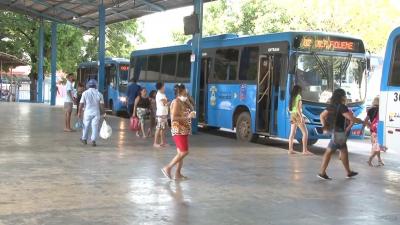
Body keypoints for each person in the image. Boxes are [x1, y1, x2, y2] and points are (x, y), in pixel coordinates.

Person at [318, 88, 364, 180]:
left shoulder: (331, 106)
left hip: (334, 131)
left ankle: (348, 172)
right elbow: (351, 118)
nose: (346, 97)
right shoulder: (342, 107)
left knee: (341, 151)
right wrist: (361, 121)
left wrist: (325, 127)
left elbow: (322, 116)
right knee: (331, 152)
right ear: (342, 96)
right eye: (345, 95)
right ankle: (322, 172)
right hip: (338, 133)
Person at [162, 84, 196, 180]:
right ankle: (168, 168)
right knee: (184, 152)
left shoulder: (183, 102)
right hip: (178, 130)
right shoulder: (176, 102)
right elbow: (173, 118)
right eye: (185, 91)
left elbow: (193, 108)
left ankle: (177, 174)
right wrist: (187, 117)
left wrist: (189, 103)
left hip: (184, 130)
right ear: (180, 92)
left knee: (180, 153)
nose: (186, 93)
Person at [78, 79, 105, 147]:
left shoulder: (85, 93)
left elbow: (81, 104)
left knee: (85, 126)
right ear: (96, 86)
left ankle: (84, 139)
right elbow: (102, 106)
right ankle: (93, 140)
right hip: (96, 112)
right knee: (95, 127)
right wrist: (103, 113)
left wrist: (79, 112)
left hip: (87, 112)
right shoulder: (99, 94)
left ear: (88, 86)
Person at [288, 85, 312, 155]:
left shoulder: (292, 97)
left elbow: (291, 108)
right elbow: (299, 108)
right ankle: (305, 151)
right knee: (305, 133)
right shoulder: (299, 96)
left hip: (292, 114)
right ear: (298, 90)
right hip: (297, 115)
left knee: (292, 133)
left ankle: (290, 150)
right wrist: (301, 117)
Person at [365, 96, 386, 167]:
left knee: (375, 146)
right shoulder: (381, 109)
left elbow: (366, 120)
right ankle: (370, 160)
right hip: (378, 130)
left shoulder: (370, 110)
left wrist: (368, 125)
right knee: (377, 146)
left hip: (372, 130)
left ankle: (379, 160)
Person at [154, 82, 169, 148]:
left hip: (164, 113)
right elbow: (165, 103)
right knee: (158, 128)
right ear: (161, 87)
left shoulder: (162, 94)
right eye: (164, 86)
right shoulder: (160, 95)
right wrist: (172, 102)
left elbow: (166, 102)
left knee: (163, 129)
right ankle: (155, 143)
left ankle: (162, 142)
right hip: (161, 114)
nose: (165, 87)